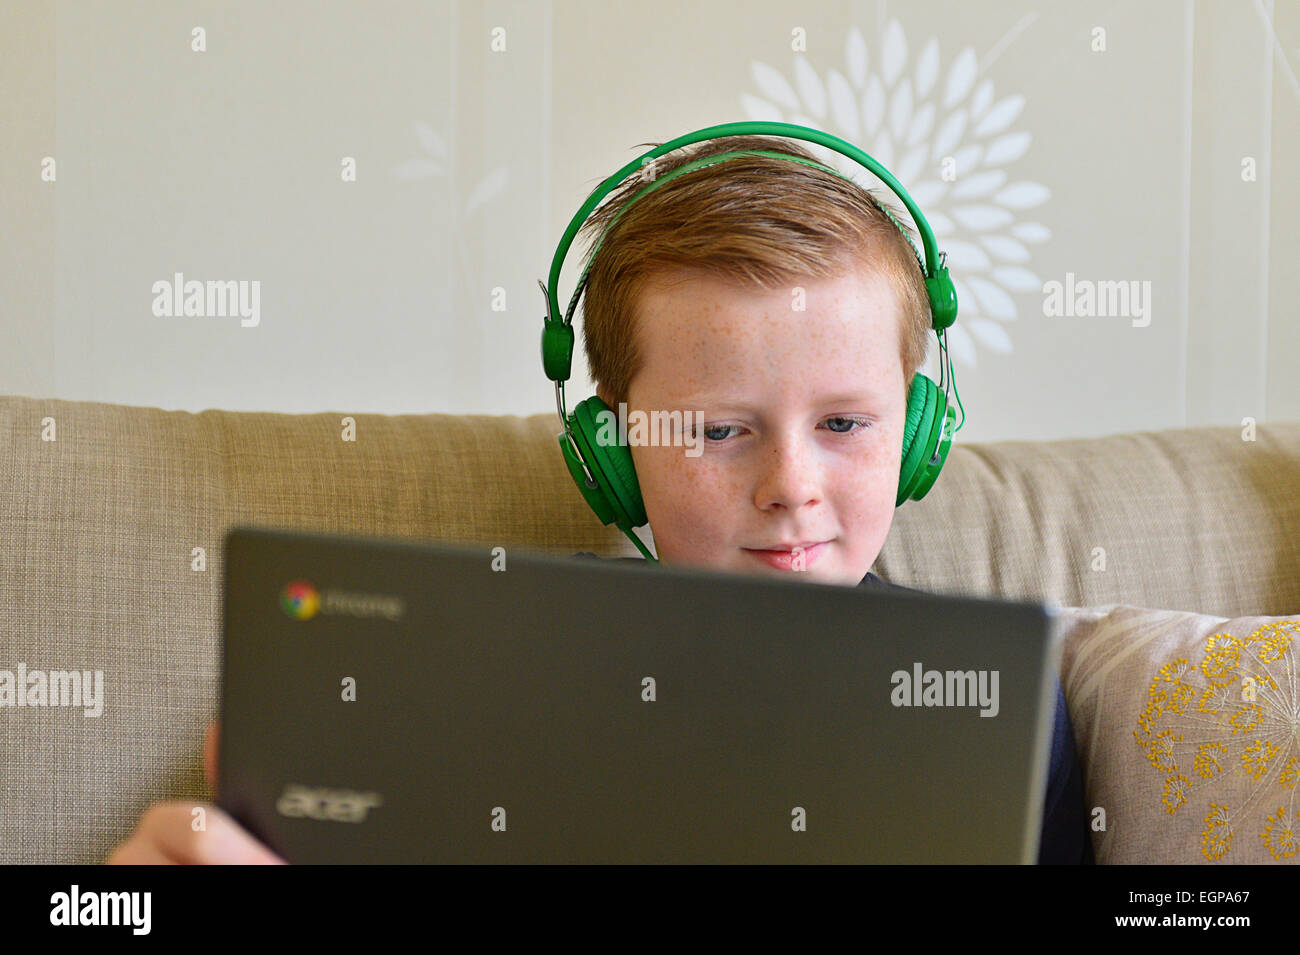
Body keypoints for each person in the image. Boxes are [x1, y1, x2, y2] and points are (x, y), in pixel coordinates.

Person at [109, 134, 1091, 864]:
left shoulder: (998, 698)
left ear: (919, 437)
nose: (791, 486)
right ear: (610, 452)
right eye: (716, 429)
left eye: (844, 424)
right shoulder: (478, 661)